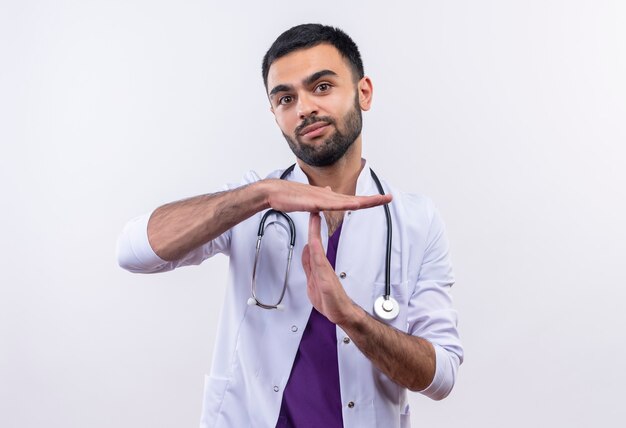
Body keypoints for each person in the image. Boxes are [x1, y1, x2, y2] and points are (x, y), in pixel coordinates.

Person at [117, 23, 463, 428]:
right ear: (274, 113)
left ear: (363, 92)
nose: (304, 109)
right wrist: (259, 195)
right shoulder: (250, 204)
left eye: (321, 87)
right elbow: (133, 251)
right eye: (285, 98)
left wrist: (351, 316)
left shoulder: (415, 219)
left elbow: (441, 376)